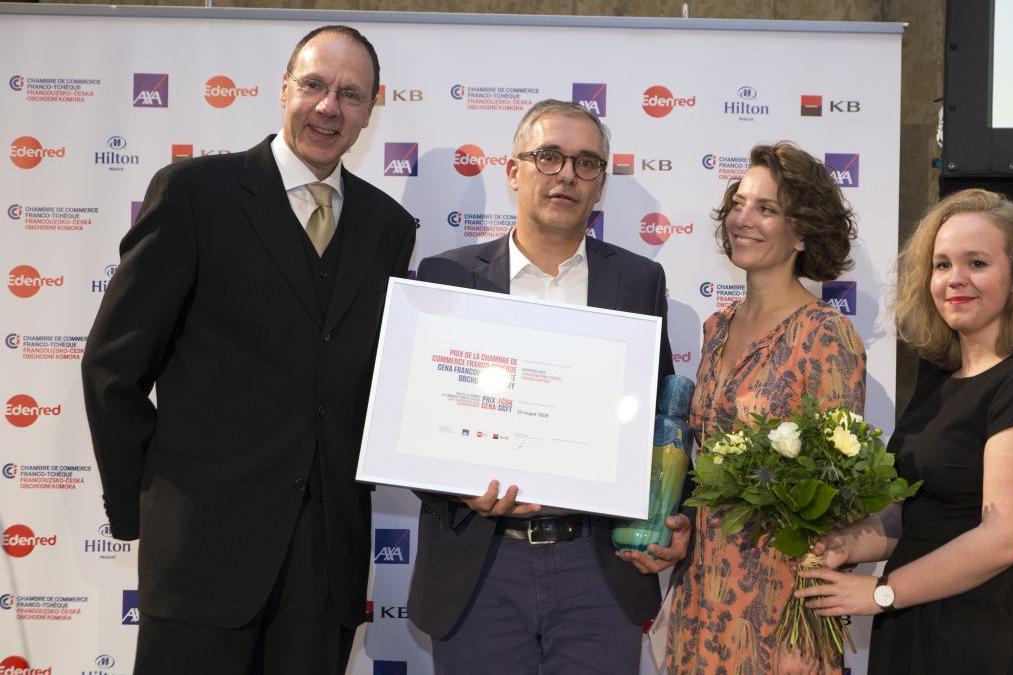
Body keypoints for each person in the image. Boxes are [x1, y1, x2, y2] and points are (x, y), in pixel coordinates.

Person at [80, 25, 417, 675]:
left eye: (350, 94)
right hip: (200, 553)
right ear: (284, 88)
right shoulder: (194, 193)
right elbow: (113, 366)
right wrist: (147, 504)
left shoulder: (388, 227)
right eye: (314, 85)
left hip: (325, 568)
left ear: (370, 110)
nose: (329, 107)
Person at [407, 99, 690, 674]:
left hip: (599, 567)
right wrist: (458, 485)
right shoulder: (447, 277)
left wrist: (674, 514)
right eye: (549, 156)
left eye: (586, 162)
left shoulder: (638, 281)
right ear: (514, 171)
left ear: (601, 184)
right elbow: (414, 425)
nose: (566, 174)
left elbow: (662, 424)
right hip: (479, 566)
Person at [794, 188, 1013, 674]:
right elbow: (917, 517)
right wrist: (847, 544)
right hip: (915, 624)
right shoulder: (939, 378)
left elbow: (1006, 538)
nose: (956, 279)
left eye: (977, 263)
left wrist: (882, 592)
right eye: (942, 264)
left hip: (983, 632)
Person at [666, 142, 866, 674]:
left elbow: (838, 494)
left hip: (780, 608)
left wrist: (806, 629)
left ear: (802, 233)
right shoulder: (717, 327)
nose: (742, 219)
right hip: (701, 596)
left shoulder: (826, 336)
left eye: (766, 209)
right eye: (739, 203)